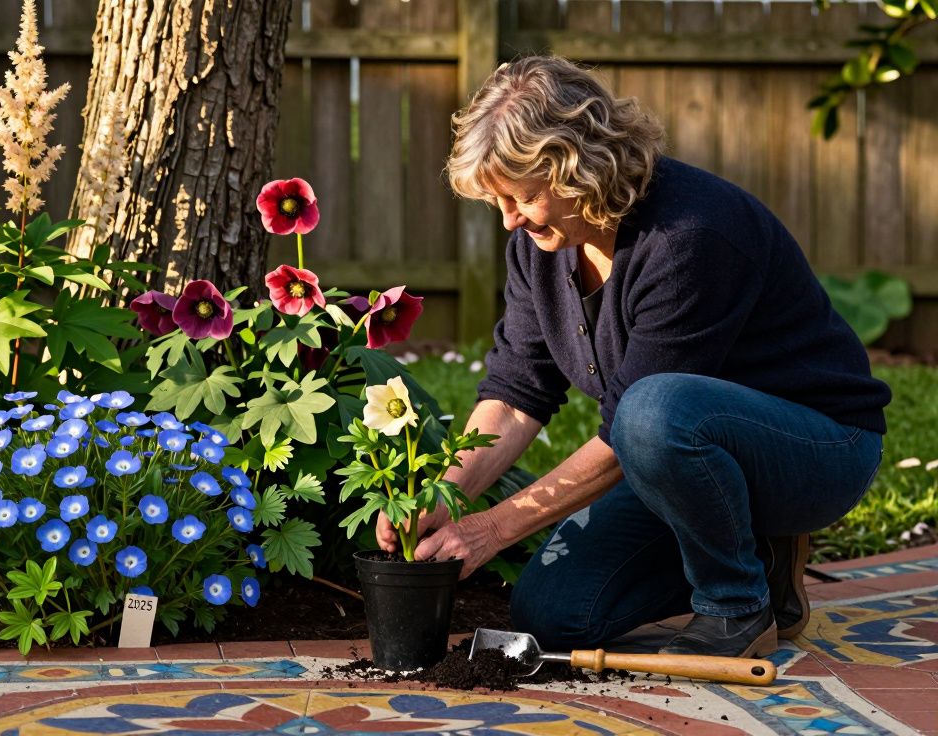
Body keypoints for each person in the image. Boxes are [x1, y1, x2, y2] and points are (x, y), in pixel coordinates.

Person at [376, 56, 890, 658]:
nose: (510, 220)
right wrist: (445, 495)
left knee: (651, 410)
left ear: (578, 168)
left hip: (815, 451)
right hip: (681, 460)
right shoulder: (541, 246)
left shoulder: (689, 235)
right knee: (553, 612)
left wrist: (491, 529)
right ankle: (760, 553)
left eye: (524, 197)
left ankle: (735, 607)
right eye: (498, 202)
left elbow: (630, 430)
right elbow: (516, 396)